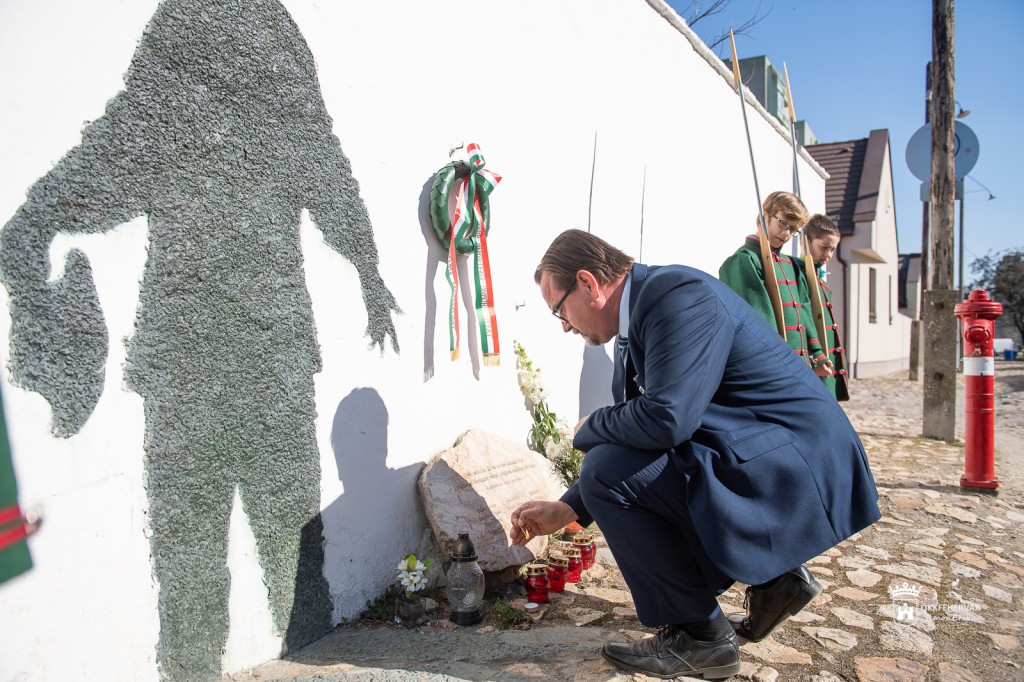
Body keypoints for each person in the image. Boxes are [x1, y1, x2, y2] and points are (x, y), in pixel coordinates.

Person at [510, 229, 879, 680]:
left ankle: (700, 637)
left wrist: (589, 427)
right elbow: (641, 439)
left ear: (588, 283)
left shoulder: (675, 295)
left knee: (606, 466)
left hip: (799, 458)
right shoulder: (640, 314)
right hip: (763, 447)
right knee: (612, 463)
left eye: (560, 309)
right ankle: (775, 581)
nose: (565, 326)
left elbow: (667, 420)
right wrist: (569, 507)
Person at [718, 191, 832, 379]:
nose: (786, 234)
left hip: (798, 365)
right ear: (765, 217)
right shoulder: (744, 260)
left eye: (793, 229)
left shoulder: (790, 265)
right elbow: (758, 322)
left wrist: (817, 353)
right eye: (783, 224)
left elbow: (804, 311)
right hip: (770, 367)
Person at [799, 214, 849, 400]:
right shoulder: (796, 275)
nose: (828, 255)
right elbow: (802, 320)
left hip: (825, 364)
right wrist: (815, 359)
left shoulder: (823, 283)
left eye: (832, 249)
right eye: (824, 247)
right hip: (810, 362)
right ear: (806, 242)